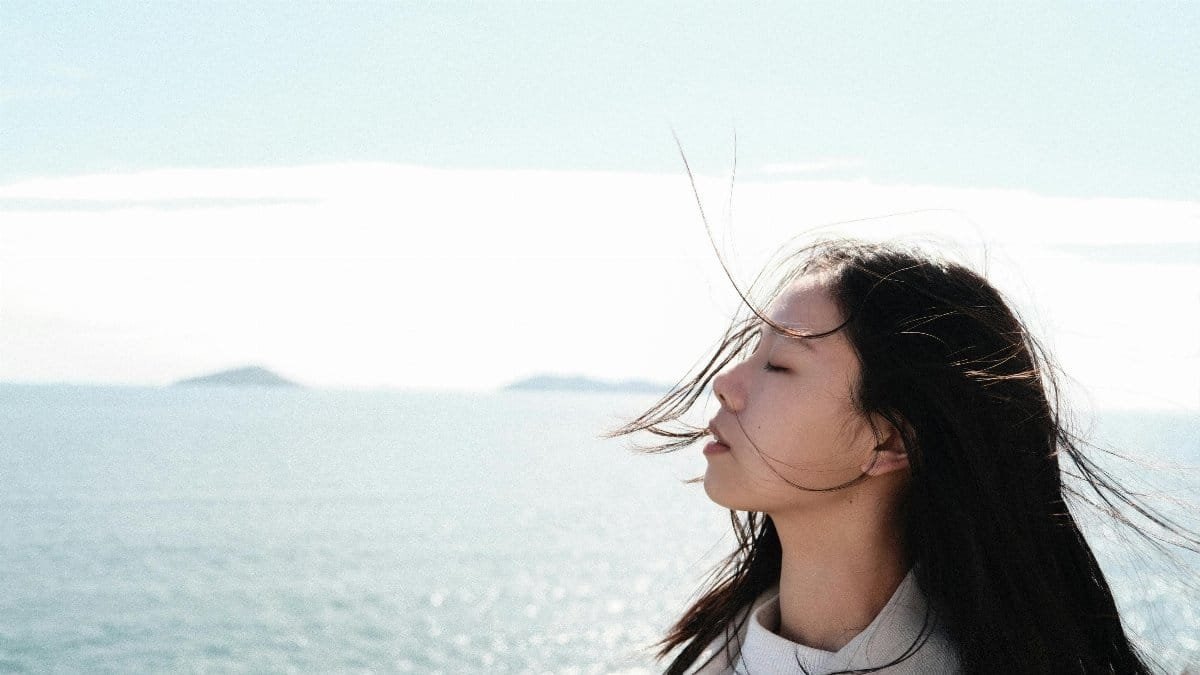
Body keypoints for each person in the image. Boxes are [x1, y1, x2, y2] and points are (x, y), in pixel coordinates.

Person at [609, 237, 1198, 674]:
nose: (727, 384)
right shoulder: (728, 640)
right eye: (750, 352)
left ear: (888, 440)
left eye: (780, 366)